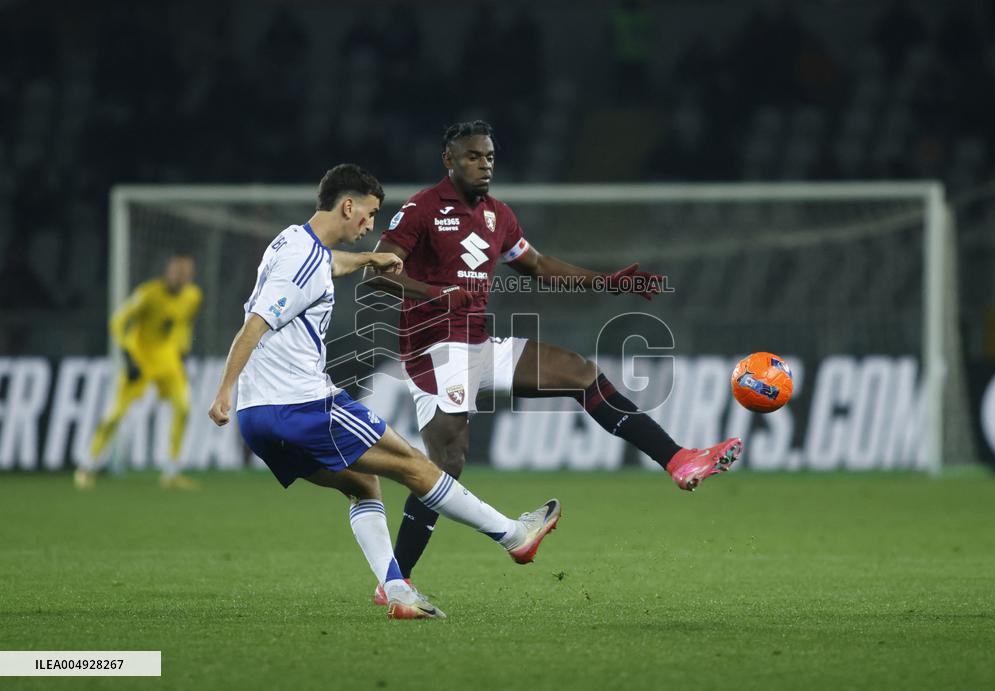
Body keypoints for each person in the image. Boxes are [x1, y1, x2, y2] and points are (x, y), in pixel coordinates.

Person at [364, 120, 742, 599]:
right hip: (434, 350)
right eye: (473, 156)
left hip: (478, 343)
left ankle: (678, 459)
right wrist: (437, 295)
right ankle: (396, 579)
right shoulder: (422, 208)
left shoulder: (499, 216)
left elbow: (538, 266)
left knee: (581, 374)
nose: (484, 165)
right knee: (447, 463)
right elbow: (377, 274)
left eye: (489, 157)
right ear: (449, 160)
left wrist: (606, 282)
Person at [207, 164, 561, 620]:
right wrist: (224, 390)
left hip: (259, 419)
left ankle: (397, 590)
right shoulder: (302, 259)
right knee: (416, 465)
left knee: (362, 484)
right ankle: (514, 536)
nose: (371, 225)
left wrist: (368, 260)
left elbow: (327, 266)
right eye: (370, 214)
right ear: (347, 206)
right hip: (302, 404)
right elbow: (255, 323)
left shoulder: (292, 242)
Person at [77, 253, 203, 490]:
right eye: (178, 271)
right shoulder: (148, 294)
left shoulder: (193, 296)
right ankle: (86, 466)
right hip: (141, 359)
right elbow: (118, 321)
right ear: (168, 272)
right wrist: (127, 355)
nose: (181, 277)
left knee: (184, 408)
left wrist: (183, 350)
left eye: (186, 272)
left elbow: (184, 324)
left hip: (168, 361)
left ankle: (172, 472)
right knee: (116, 414)